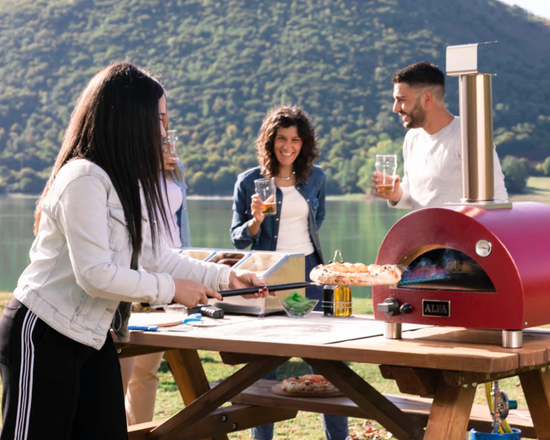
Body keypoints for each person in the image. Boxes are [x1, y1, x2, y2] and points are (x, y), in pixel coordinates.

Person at [0, 62, 269, 440]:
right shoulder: (83, 178)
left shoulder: (129, 183)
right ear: (129, 119)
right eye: (158, 119)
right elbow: (95, 274)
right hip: (43, 332)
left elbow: (156, 256)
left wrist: (226, 276)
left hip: (93, 337)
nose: (164, 130)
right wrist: (172, 289)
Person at [230, 105, 349, 440]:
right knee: (267, 364)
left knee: (327, 362)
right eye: (281, 138)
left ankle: (338, 437)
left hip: (310, 276)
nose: (288, 146)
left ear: (304, 143)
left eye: (295, 139)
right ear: (270, 141)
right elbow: (237, 238)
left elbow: (318, 217)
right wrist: (256, 221)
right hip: (268, 278)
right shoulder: (249, 181)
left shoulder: (317, 178)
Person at [119, 120, 191, 425]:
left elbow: (179, 221)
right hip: (139, 275)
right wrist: (148, 166)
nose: (163, 131)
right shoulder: (126, 165)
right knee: (122, 367)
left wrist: (187, 260)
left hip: (172, 269)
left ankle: (140, 433)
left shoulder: (175, 165)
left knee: (148, 372)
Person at [371, 61, 508, 209]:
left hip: (460, 232)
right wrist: (395, 193)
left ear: (426, 99)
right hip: (425, 232)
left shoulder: (468, 135)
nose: (395, 108)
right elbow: (414, 197)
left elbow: (497, 198)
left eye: (401, 100)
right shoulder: (412, 138)